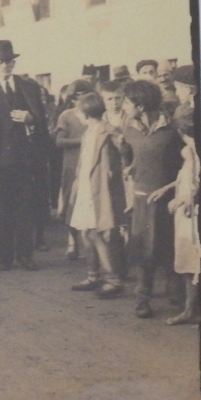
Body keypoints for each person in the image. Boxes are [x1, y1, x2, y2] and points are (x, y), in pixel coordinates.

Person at [0, 40, 48, 271]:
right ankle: (5, 257)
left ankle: (25, 255)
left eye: (8, 61)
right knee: (1, 210)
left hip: (25, 159)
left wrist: (30, 120)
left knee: (25, 209)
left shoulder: (28, 88)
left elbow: (41, 121)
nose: (4, 66)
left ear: (13, 63)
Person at [120, 78, 183, 318]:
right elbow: (125, 151)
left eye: (127, 101)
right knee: (143, 249)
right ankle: (142, 298)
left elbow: (187, 162)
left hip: (169, 198)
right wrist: (129, 166)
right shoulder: (129, 128)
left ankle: (176, 295)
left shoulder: (172, 128)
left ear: (141, 104)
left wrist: (172, 188)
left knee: (170, 246)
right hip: (141, 197)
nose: (124, 106)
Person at [150, 69, 201, 326]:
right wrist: (169, 188)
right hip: (185, 199)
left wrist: (183, 199)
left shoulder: (195, 139)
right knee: (187, 256)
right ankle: (191, 307)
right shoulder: (190, 139)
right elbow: (185, 173)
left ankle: (193, 309)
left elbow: (198, 177)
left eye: (180, 87)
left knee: (193, 256)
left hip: (193, 206)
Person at [67, 92, 126, 298]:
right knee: (85, 232)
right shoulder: (87, 132)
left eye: (79, 110)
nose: (77, 114)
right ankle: (93, 275)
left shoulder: (108, 131)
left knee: (97, 232)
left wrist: (116, 173)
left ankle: (113, 279)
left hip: (100, 189)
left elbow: (125, 154)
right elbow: (83, 164)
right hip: (86, 187)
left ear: (87, 111)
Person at [54, 79, 94, 259]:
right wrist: (82, 140)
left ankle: (91, 243)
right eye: (77, 97)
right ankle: (72, 242)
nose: (81, 100)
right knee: (71, 201)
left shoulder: (95, 113)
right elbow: (59, 141)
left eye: (85, 95)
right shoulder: (66, 116)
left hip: (91, 163)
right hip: (72, 164)